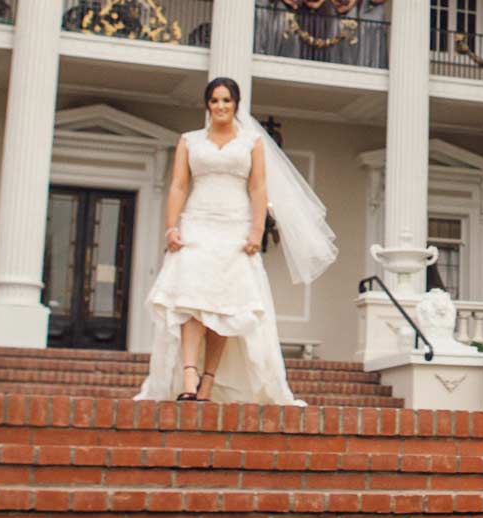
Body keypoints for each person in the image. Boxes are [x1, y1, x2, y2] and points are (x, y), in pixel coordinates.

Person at [135, 77, 336, 404]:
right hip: (197, 225)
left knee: (225, 308)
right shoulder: (189, 141)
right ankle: (189, 375)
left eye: (226, 100)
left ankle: (208, 381)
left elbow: (258, 187)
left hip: (235, 229)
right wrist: (171, 227)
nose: (220, 106)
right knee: (190, 302)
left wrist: (256, 230)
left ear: (235, 104)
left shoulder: (251, 142)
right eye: (214, 100)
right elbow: (179, 186)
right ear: (207, 105)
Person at [355, 0, 388, 69]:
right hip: (365, 7)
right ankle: (363, 62)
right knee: (363, 31)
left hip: (376, 8)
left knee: (376, 31)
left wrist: (376, 0)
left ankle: (376, 63)